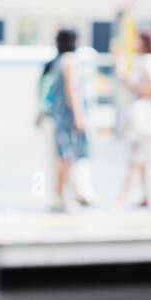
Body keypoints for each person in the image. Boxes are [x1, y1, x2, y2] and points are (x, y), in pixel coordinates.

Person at [113, 29, 151, 208]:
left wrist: (131, 83)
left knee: (136, 157)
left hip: (144, 117)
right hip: (144, 116)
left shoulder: (148, 62)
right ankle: (147, 196)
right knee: (143, 158)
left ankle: (122, 197)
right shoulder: (149, 61)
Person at [47, 27, 94, 212]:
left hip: (59, 115)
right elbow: (72, 89)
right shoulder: (70, 61)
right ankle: (61, 197)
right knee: (67, 156)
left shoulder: (57, 61)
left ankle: (60, 195)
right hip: (67, 116)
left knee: (63, 156)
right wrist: (78, 116)